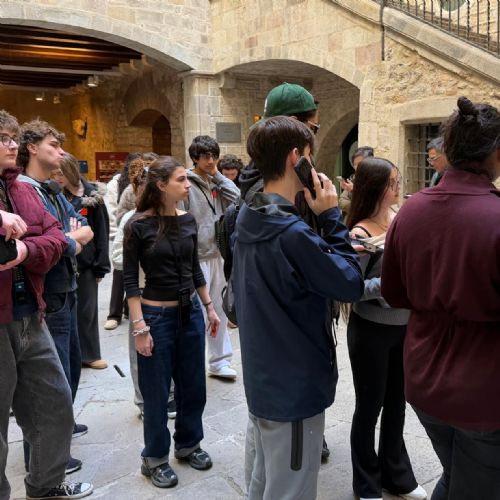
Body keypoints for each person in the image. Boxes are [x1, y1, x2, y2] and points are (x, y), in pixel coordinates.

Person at [233, 116, 364, 500]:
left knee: (263, 483)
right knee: (291, 490)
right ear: (296, 158)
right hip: (293, 388)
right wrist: (331, 217)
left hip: (265, 377)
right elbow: (350, 283)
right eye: (309, 154)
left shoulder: (249, 215)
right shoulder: (292, 233)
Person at [382, 96, 500, 499]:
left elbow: (394, 293)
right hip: (483, 389)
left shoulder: (411, 210)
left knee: (456, 475)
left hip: (423, 377)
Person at [0, 110, 93, 500]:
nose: (12, 145)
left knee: (55, 401)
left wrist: (24, 249)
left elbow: (59, 238)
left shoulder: (21, 191)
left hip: (31, 311)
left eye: (13, 137)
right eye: (3, 138)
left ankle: (45, 484)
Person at [123, 156, 220, 488]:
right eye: (181, 179)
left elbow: (194, 269)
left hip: (189, 313)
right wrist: (139, 327)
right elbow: (130, 281)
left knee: (193, 387)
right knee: (156, 393)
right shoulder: (138, 225)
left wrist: (209, 307)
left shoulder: (188, 219)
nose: (188, 184)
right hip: (155, 316)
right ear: (161, 185)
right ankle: (154, 458)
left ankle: (189, 444)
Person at [345, 158, 426, 500]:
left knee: (397, 404)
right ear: (376, 187)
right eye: (392, 182)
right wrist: (392, 284)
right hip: (371, 330)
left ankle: (397, 475)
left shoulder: (398, 219)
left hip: (403, 328)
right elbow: (352, 288)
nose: (398, 187)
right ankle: (366, 482)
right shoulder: (358, 233)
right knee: (369, 407)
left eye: (397, 180)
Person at [184, 135, 240, 379]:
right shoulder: (186, 182)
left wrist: (217, 175)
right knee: (198, 311)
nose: (211, 161)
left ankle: (219, 361)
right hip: (196, 256)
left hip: (218, 254)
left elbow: (237, 199)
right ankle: (193, 363)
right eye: (206, 156)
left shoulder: (217, 181)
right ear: (195, 157)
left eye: (214, 156)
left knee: (219, 308)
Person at [54, 153, 111, 369]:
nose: (57, 178)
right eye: (55, 174)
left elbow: (102, 231)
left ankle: (90, 354)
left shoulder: (92, 197)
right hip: (64, 260)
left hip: (87, 263)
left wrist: (101, 266)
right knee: (68, 310)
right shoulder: (57, 196)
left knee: (87, 311)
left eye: (61, 173)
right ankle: (72, 355)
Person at [103, 152, 141, 331]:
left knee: (136, 275)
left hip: (143, 236)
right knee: (120, 274)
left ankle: (128, 308)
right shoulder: (123, 187)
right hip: (126, 233)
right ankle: (114, 314)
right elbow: (116, 212)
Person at [338, 146, 374, 218]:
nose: (357, 167)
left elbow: (371, 205)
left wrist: (353, 190)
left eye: (360, 163)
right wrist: (356, 208)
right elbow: (341, 201)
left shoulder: (376, 180)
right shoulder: (354, 179)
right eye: (355, 164)